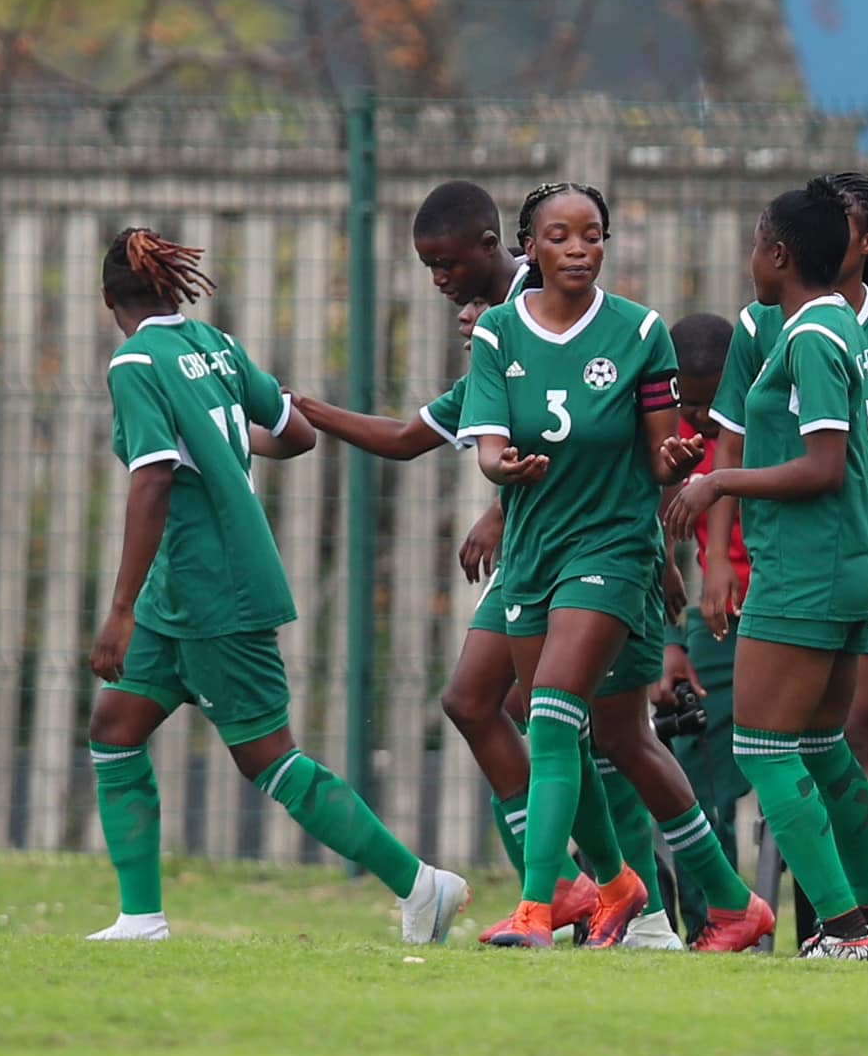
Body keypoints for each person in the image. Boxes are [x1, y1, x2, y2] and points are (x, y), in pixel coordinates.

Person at [84, 227, 467, 944]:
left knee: (270, 758)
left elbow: (153, 481)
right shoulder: (216, 347)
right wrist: (222, 443)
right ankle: (140, 918)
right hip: (185, 588)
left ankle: (422, 885)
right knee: (114, 729)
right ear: (173, 289)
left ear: (109, 299)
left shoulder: (134, 362)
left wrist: (119, 611)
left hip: (211, 588)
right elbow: (296, 435)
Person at [297, 180, 646, 945]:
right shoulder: (496, 330)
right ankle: (591, 886)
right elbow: (440, 434)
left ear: (496, 247)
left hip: (590, 544)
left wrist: (496, 505)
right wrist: (312, 410)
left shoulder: (551, 308)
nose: (440, 281)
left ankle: (587, 900)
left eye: (446, 263)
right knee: (478, 702)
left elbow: (578, 424)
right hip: (537, 544)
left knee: (587, 727)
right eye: (428, 267)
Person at [462, 182, 771, 951]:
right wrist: (502, 472)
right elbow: (490, 445)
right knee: (615, 734)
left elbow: (664, 450)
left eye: (592, 235)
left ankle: (538, 908)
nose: (578, 249)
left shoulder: (639, 332)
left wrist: (673, 458)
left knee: (554, 713)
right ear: (529, 247)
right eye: (560, 236)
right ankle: (695, 900)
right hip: (536, 551)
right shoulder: (498, 333)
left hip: (613, 548)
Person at [666, 179, 868, 960]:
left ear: (780, 254)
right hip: (846, 565)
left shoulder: (808, 341)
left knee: (762, 748)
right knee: (824, 747)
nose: (750, 259)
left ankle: (843, 929)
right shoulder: (835, 329)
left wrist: (720, 482)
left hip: (809, 569)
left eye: (756, 243)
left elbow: (825, 466)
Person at [658, 313, 757, 941]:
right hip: (713, 621)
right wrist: (670, 643)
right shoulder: (669, 436)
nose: (698, 413)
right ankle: (711, 924)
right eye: (685, 399)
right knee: (694, 765)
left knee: (797, 765)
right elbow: (656, 537)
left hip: (777, 606)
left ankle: (835, 920)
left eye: (710, 399)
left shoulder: (765, 420)